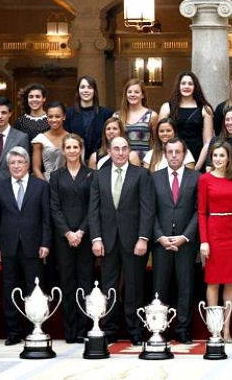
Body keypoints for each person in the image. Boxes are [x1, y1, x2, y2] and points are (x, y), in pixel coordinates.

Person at [88, 136, 154, 345]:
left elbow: (147, 209)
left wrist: (143, 238)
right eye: (116, 149)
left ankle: (135, 330)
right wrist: (96, 239)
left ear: (129, 151)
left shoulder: (141, 174)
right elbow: (94, 210)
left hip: (134, 240)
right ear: (109, 150)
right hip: (107, 240)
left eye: (124, 148)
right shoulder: (99, 176)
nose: (120, 152)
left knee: (134, 286)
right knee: (109, 286)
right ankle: (109, 329)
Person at [0, 146, 51, 346]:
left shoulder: (40, 186)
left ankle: (34, 327)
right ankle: (13, 332)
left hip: (33, 247)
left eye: (20, 162)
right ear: (8, 166)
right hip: (8, 247)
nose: (16, 166)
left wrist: (45, 242)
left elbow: (46, 218)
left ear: (27, 164)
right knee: (10, 290)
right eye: (13, 163)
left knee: (34, 290)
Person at [151, 137, 200, 344]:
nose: (173, 156)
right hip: (161, 242)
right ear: (165, 153)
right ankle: (158, 328)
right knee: (159, 288)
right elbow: (148, 211)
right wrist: (160, 236)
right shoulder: (154, 178)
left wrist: (185, 236)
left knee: (185, 287)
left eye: (177, 152)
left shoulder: (196, 178)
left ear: (184, 154)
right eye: (170, 152)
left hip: (185, 242)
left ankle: (183, 330)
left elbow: (199, 211)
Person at [49, 134, 94, 344]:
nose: (72, 150)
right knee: (67, 283)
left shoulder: (91, 175)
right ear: (63, 150)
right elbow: (54, 208)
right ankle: (70, 330)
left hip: (85, 237)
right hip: (64, 238)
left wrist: (81, 232)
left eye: (76, 147)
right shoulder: (56, 176)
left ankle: (85, 329)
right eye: (68, 147)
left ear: (81, 149)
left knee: (85, 283)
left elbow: (93, 207)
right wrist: (68, 233)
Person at [198, 142, 232, 343]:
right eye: (215, 155)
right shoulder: (205, 179)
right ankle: (214, 329)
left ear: (228, 158)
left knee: (230, 282)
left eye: (221, 155)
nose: (218, 159)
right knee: (213, 282)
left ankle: (227, 329)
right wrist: (204, 241)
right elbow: (201, 212)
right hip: (213, 231)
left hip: (231, 231)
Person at [159, 72, 214, 170]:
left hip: (197, 156)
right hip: (172, 155)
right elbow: (161, 137)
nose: (186, 86)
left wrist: (196, 167)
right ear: (178, 86)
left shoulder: (205, 109)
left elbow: (208, 142)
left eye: (190, 84)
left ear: (195, 87)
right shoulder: (167, 107)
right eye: (183, 83)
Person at [64, 75, 114, 162]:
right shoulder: (69, 114)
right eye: (82, 87)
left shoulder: (106, 113)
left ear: (94, 91)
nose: (86, 90)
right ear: (78, 91)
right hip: (75, 161)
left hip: (101, 161)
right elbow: (66, 139)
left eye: (89, 87)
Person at [114, 78, 158, 158]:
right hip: (122, 162)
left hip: (143, 163)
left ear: (143, 95)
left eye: (136, 92)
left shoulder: (152, 116)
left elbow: (157, 143)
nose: (132, 94)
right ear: (126, 95)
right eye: (129, 92)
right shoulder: (117, 116)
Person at [31, 101, 68, 181]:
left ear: (64, 117)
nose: (53, 120)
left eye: (57, 116)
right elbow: (36, 169)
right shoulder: (40, 139)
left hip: (68, 184)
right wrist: (46, 186)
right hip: (46, 182)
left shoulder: (71, 138)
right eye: (50, 116)